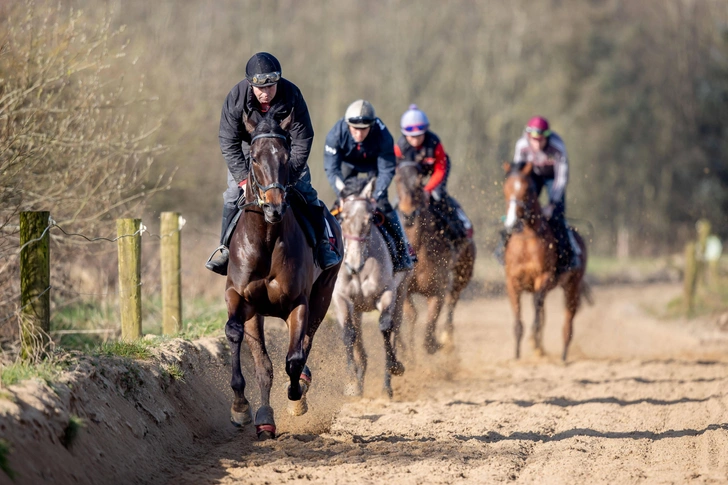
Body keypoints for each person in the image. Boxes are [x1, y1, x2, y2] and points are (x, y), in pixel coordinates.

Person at [206, 52, 341, 275]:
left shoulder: (292, 95)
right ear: (250, 84)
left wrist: (292, 174)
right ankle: (225, 250)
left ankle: (323, 246)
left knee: (307, 193)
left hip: (283, 156)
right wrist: (242, 178)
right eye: (260, 88)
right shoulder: (236, 98)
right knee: (231, 195)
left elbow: (303, 138)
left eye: (270, 86)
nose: (266, 93)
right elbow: (228, 141)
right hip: (250, 155)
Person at [323, 99, 414, 273]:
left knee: (384, 207)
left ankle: (403, 252)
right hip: (348, 166)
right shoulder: (336, 134)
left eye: (364, 129)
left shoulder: (383, 135)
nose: (359, 134)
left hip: (375, 167)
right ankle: (325, 250)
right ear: (347, 125)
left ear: (371, 126)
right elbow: (331, 168)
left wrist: (376, 196)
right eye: (355, 129)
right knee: (338, 208)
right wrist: (342, 195)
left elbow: (387, 170)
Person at [499, 115, 581, 273]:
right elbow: (518, 172)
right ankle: (503, 248)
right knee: (518, 212)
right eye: (534, 140)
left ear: (547, 138)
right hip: (532, 176)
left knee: (557, 216)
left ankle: (568, 255)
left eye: (541, 140)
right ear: (528, 137)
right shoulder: (522, 145)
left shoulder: (557, 147)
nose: (537, 143)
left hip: (553, 178)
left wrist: (552, 204)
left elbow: (561, 177)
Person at [394, 104, 473, 244]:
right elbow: (397, 172)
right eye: (411, 137)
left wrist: (427, 190)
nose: (415, 140)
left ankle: (460, 225)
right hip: (412, 176)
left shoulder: (434, 143)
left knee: (438, 195)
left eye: (419, 136)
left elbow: (440, 170)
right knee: (400, 201)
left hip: (435, 170)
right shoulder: (400, 148)